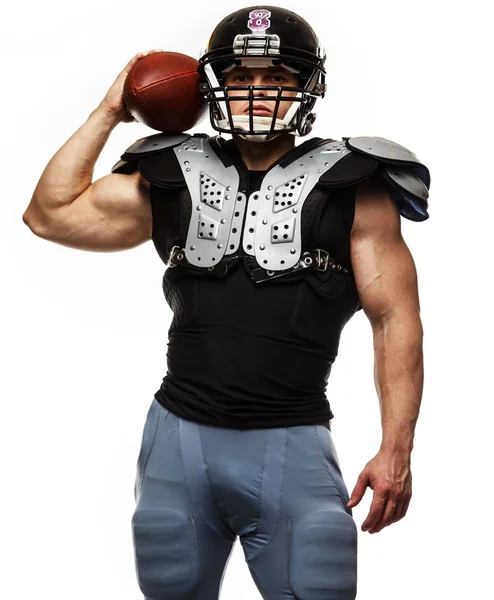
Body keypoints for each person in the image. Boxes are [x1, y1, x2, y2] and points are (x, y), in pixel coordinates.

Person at [22, 5, 430, 600]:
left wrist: (397, 448)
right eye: (241, 78)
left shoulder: (355, 185)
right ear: (214, 85)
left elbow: (397, 321)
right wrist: (112, 110)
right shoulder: (172, 173)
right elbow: (49, 215)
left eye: (276, 80)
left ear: (305, 87)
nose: (258, 94)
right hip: (176, 442)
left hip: (291, 442)